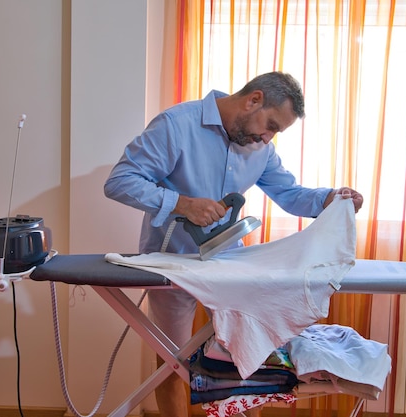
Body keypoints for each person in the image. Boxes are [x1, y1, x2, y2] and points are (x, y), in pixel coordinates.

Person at [104, 71, 363, 417]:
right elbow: (120, 181)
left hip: (229, 262)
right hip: (171, 260)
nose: (268, 137)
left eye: (276, 132)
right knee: (170, 356)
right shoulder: (176, 125)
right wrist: (182, 203)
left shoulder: (260, 149)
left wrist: (331, 198)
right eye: (270, 125)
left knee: (245, 351)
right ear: (253, 100)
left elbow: (288, 194)